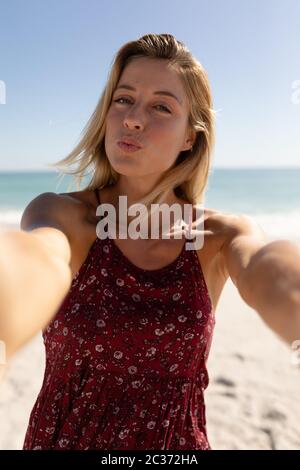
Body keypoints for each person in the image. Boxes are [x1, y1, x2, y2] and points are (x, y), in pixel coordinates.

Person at [2, 33, 299, 450]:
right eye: (123, 99)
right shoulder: (62, 216)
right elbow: (37, 260)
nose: (133, 118)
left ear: (189, 138)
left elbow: (269, 268)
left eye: (161, 106)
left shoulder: (219, 237)